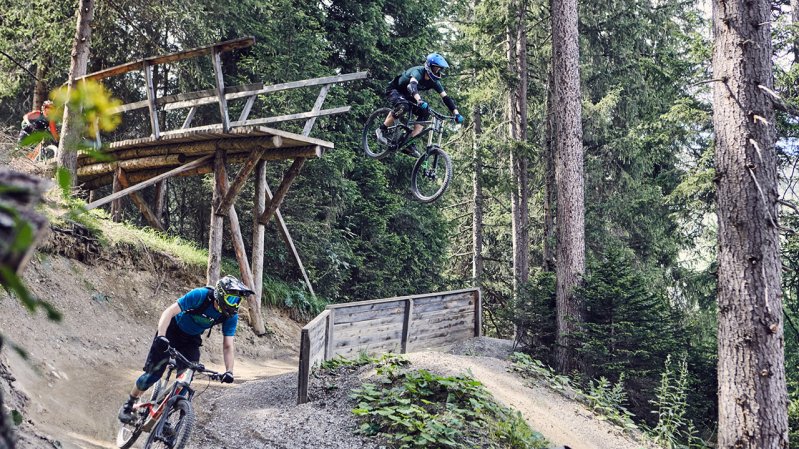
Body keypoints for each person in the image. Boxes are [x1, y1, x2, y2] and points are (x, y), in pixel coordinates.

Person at [118, 275, 254, 424]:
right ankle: (129, 404)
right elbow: (169, 312)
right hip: (171, 330)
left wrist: (229, 371)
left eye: (238, 301)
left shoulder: (230, 316)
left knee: (185, 382)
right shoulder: (200, 295)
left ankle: (164, 420)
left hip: (191, 340)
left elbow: (228, 345)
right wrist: (162, 336)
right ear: (220, 294)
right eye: (232, 300)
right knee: (153, 375)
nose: (235, 305)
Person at [376, 53, 464, 156]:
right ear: (429, 66)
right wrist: (419, 100)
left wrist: (456, 113)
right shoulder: (418, 72)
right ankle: (382, 129)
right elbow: (412, 86)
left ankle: (409, 142)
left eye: (439, 69)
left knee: (425, 112)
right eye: (436, 68)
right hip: (395, 90)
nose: (438, 71)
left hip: (409, 96)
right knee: (403, 106)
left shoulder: (434, 82)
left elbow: (446, 98)